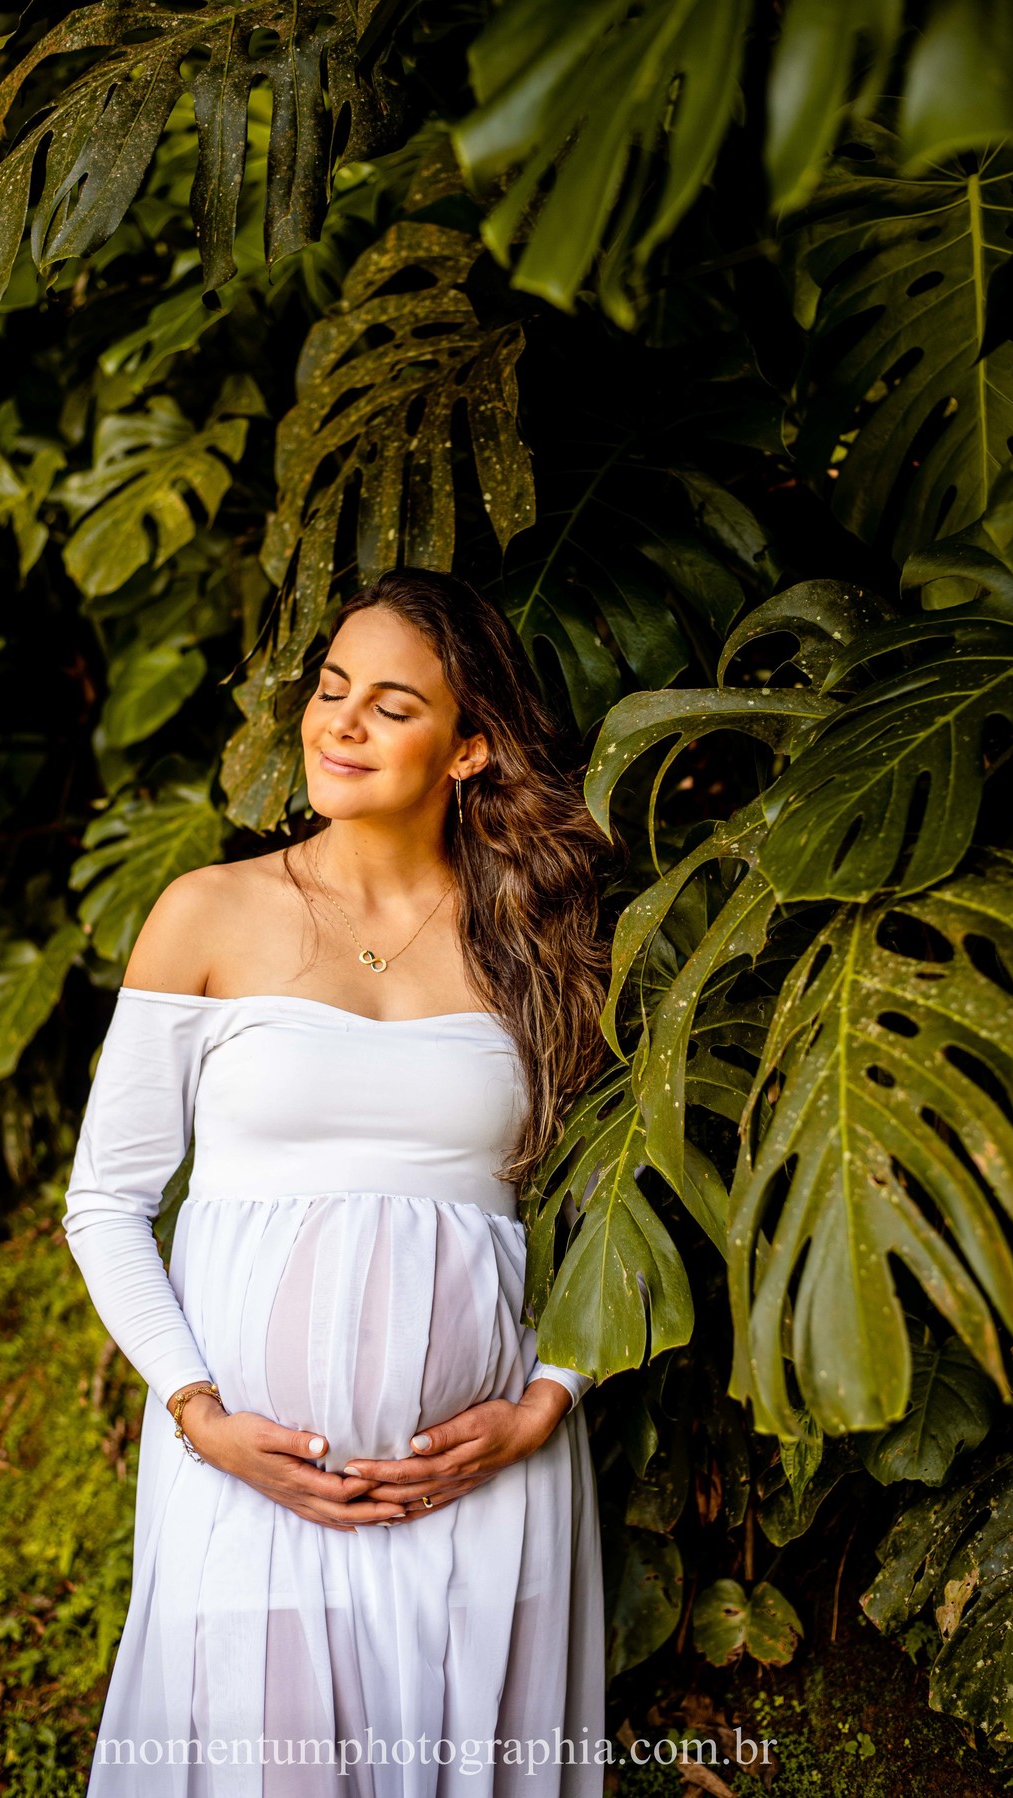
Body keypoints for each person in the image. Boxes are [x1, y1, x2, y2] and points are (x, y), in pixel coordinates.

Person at [61, 568, 623, 1796]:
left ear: (470, 747)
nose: (340, 724)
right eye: (330, 688)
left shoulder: (536, 940)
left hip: (490, 1487)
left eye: (391, 704)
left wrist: (546, 1402)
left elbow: (609, 1208)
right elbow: (106, 1200)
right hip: (251, 1476)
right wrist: (199, 1413)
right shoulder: (209, 911)